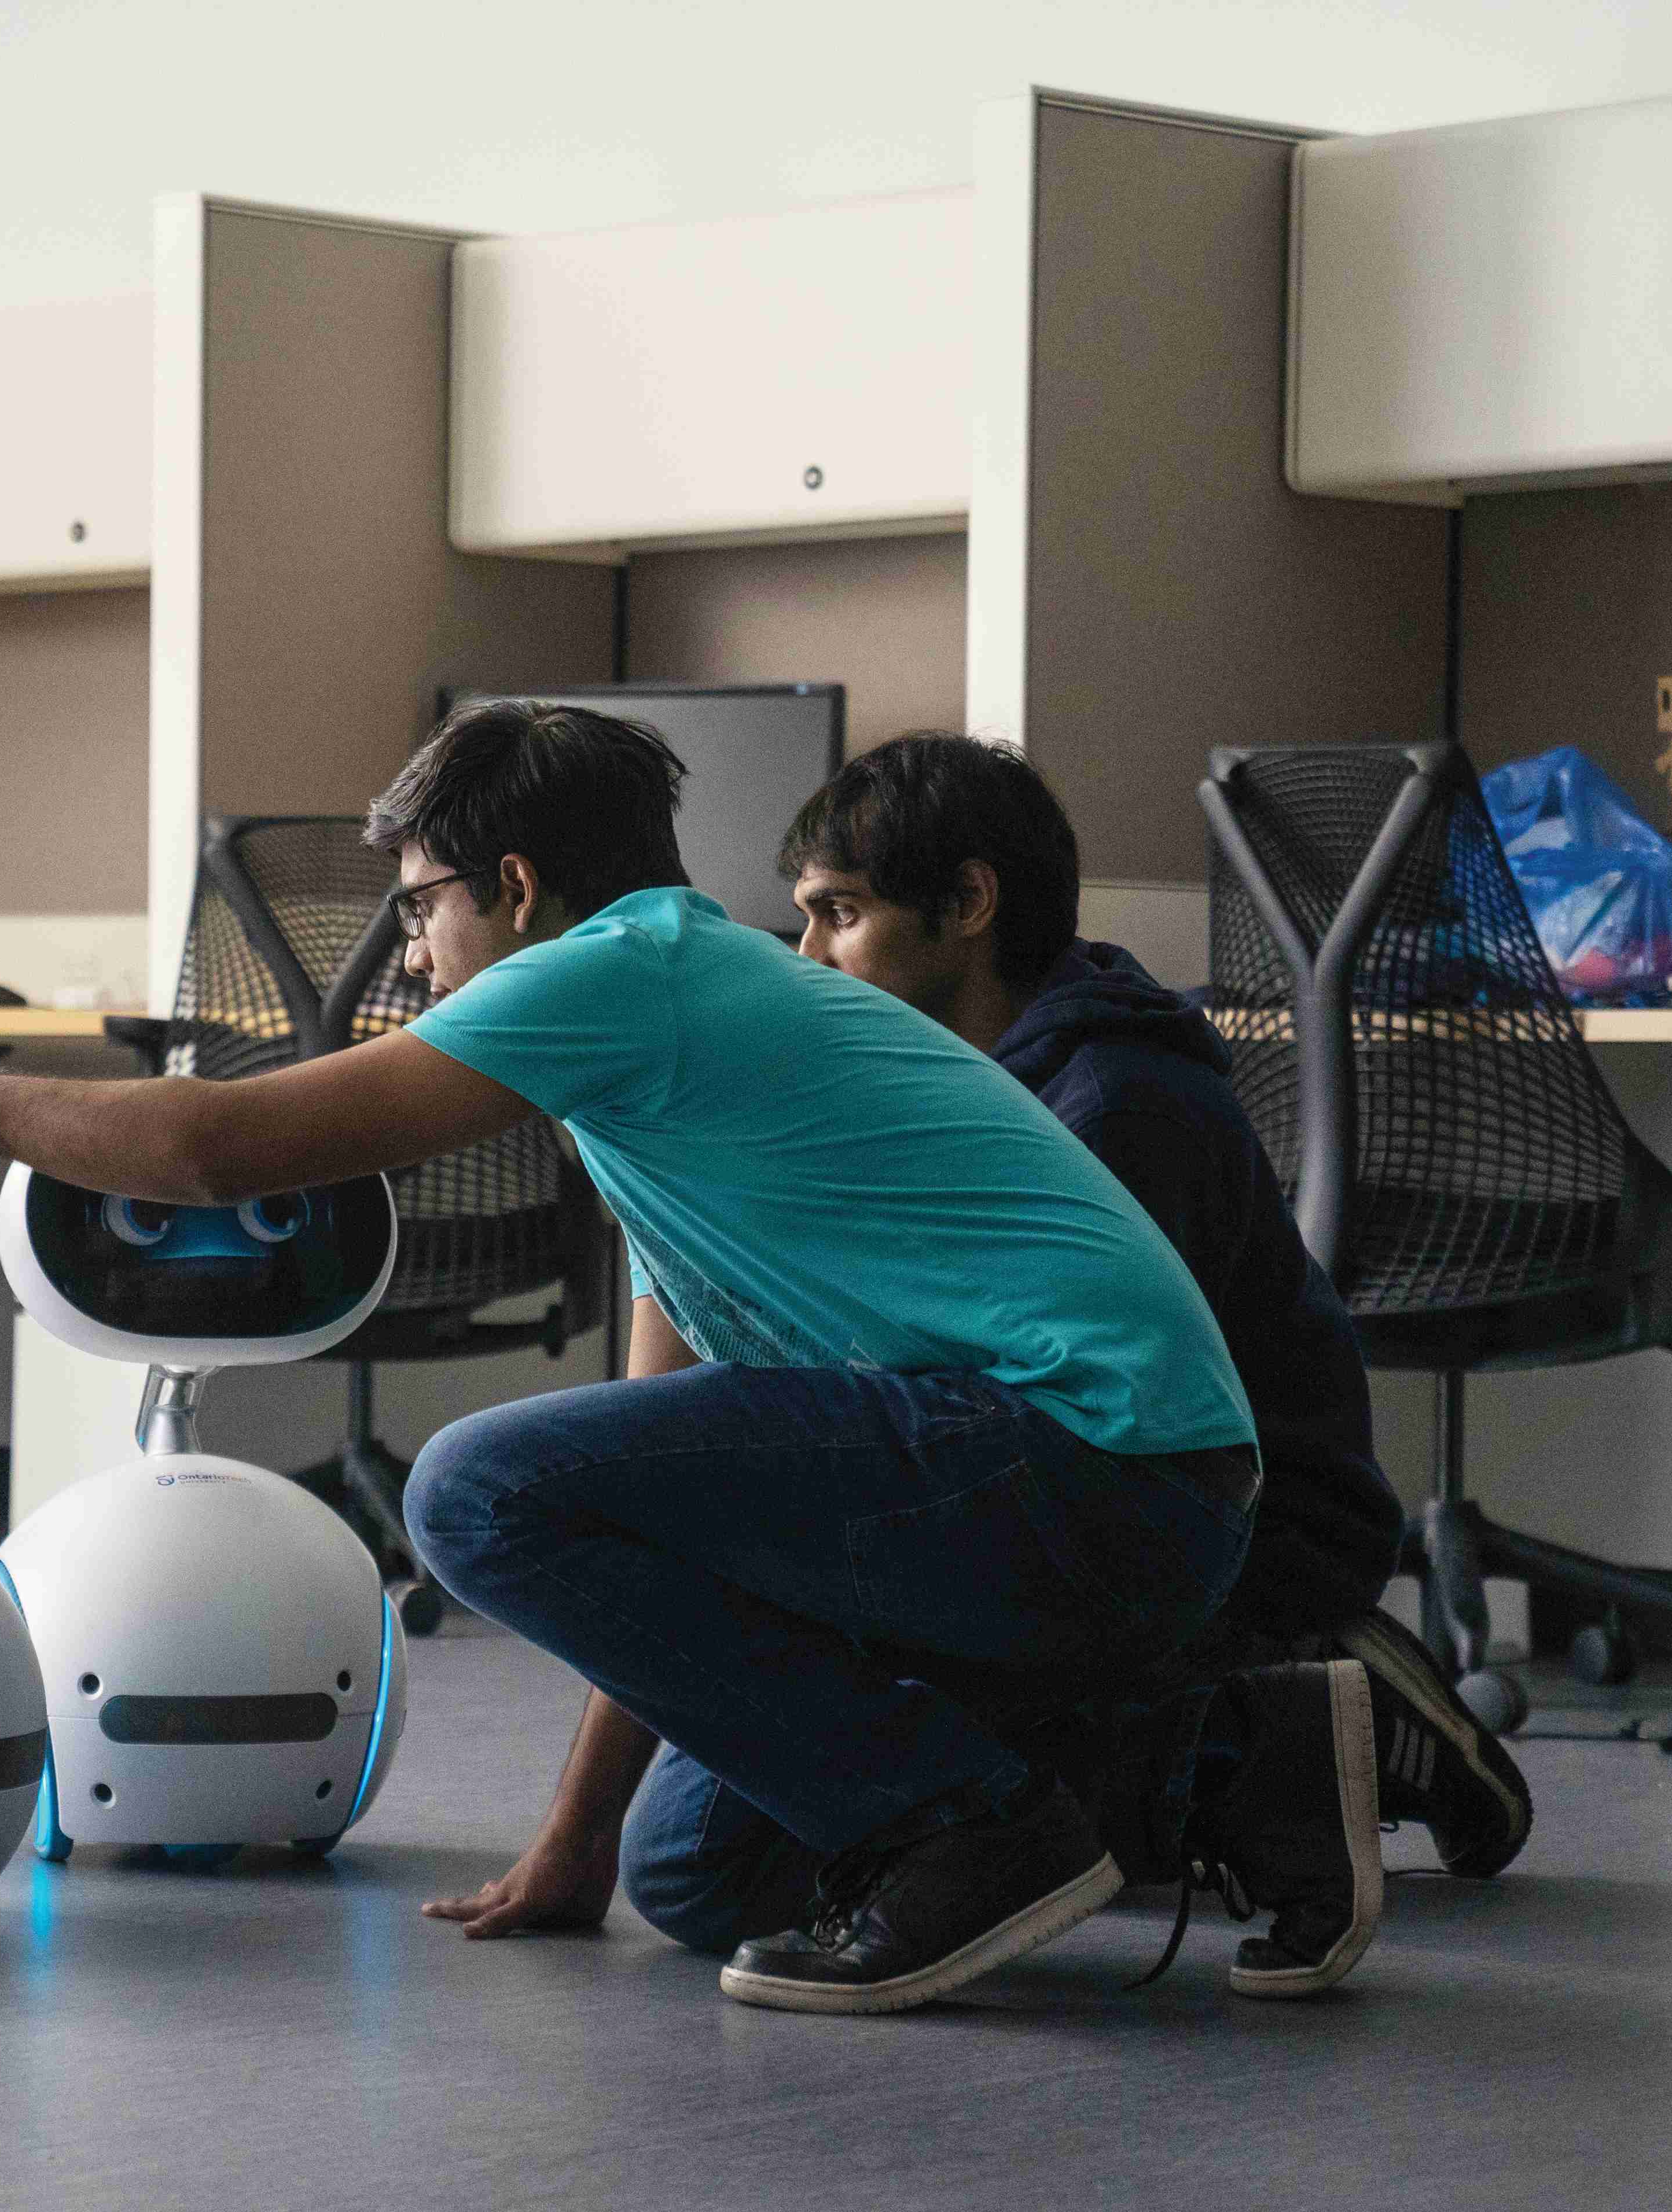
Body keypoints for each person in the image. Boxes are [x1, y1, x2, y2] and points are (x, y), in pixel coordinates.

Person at [0, 700, 1363, 2016]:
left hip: (1092, 1470)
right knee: (702, 1876)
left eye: (419, 906)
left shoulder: (616, 976)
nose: (410, 956)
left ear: (512, 890)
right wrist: (574, 1844)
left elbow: (219, 1152)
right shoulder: (666, 1058)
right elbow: (666, 1453)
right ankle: (1232, 1759)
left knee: (472, 1481)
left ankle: (982, 1830)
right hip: (1083, 1499)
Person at [606, 733, 1520, 1983]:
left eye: (840, 914)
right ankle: (1220, 1750)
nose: (808, 956)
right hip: (1028, 1500)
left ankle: (1280, 1722)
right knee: (684, 1865)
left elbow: (1068, 1427)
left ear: (967, 906)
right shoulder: (945, 1084)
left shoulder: (1116, 1110)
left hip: (1216, 1534)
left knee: (711, 1863)